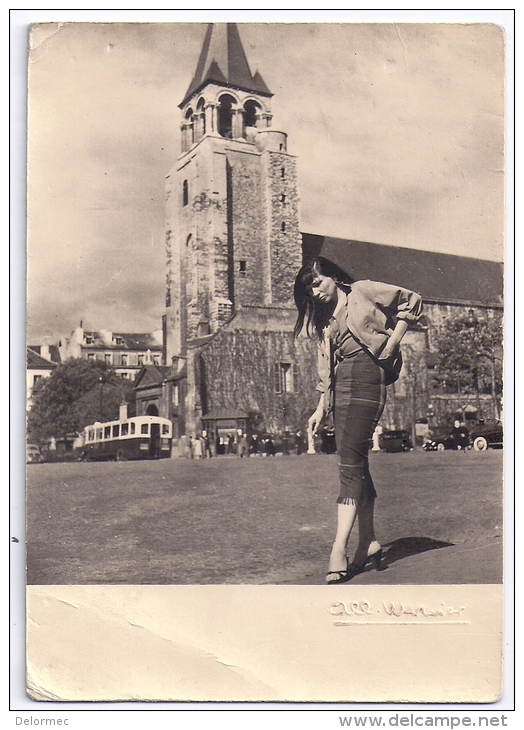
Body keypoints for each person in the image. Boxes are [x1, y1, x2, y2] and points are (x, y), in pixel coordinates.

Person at [294, 256, 422, 584]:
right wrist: (321, 407)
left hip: (369, 372)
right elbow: (327, 369)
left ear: (333, 277)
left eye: (319, 282)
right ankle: (368, 542)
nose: (317, 292)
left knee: (350, 459)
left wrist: (391, 344)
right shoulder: (324, 323)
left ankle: (338, 549)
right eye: (311, 289)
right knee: (354, 462)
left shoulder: (363, 291)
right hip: (341, 385)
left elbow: (411, 300)